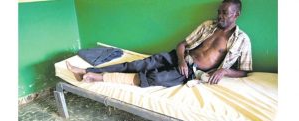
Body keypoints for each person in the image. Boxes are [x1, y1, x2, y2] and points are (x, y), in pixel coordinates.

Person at [67, 0, 252, 87]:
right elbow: (182, 44)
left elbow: (245, 71)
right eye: (219, 12)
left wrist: (225, 70)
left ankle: (96, 77)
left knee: (156, 78)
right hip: (180, 59)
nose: (219, 16)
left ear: (236, 15)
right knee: (138, 64)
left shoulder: (242, 40)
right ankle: (85, 71)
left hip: (192, 72)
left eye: (225, 13)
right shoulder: (208, 25)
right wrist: (180, 59)